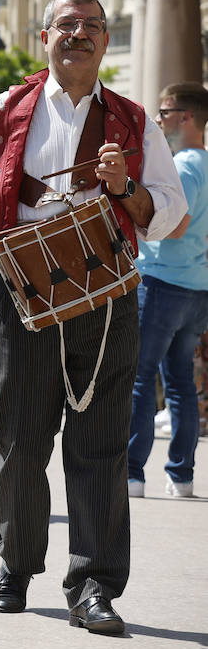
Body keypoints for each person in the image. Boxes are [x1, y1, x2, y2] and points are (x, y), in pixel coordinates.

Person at [0, 0, 185, 635]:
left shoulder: (132, 120)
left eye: (93, 25)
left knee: (99, 441)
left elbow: (170, 211)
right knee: (20, 435)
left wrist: (124, 188)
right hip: (21, 289)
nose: (81, 33)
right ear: (44, 37)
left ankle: (94, 584)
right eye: (67, 24)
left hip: (105, 292)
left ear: (104, 41)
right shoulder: (5, 108)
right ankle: (16, 563)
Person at [128, 82, 208, 499]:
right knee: (179, 384)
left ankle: (131, 474)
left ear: (186, 116)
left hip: (162, 282)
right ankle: (181, 477)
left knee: (139, 379)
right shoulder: (205, 164)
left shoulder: (185, 166)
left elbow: (175, 225)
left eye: (164, 112)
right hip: (196, 287)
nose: (158, 119)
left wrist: (139, 226)